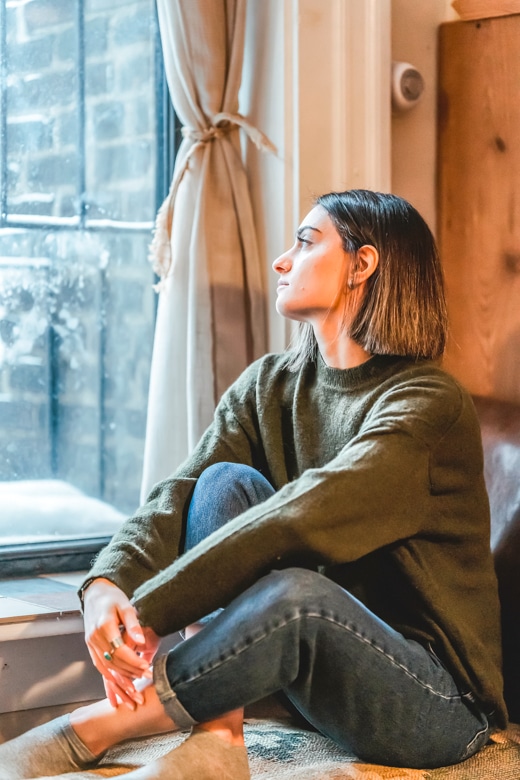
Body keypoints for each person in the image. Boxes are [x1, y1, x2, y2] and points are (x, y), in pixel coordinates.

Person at [0, 190, 507, 780]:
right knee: (221, 484)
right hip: (322, 670)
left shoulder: (427, 403)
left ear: (362, 265)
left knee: (296, 592)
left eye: (306, 241)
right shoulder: (271, 383)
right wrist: (107, 583)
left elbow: (308, 514)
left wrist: (150, 612)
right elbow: (184, 490)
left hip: (439, 704)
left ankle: (94, 726)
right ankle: (220, 737)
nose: (281, 260)